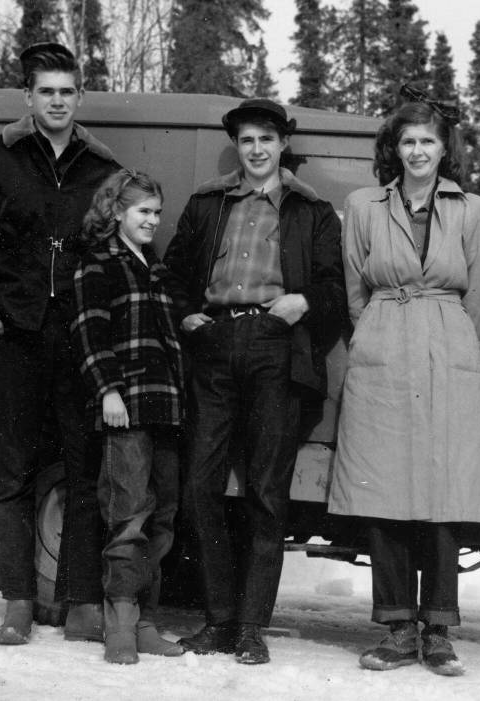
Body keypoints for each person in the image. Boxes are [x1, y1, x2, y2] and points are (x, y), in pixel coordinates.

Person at [0, 42, 120, 645]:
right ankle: (17, 602)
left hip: (80, 339)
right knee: (13, 473)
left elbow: (117, 255)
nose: (57, 101)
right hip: (12, 334)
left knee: (86, 473)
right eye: (46, 92)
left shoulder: (102, 169)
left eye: (67, 91)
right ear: (28, 97)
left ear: (80, 97)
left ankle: (82, 603)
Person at [163, 98, 346, 665]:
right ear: (236, 146)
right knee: (200, 486)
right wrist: (186, 316)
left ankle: (249, 628)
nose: (257, 149)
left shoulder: (311, 211)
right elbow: (172, 274)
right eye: (247, 140)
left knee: (267, 493)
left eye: (267, 138)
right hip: (214, 343)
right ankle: (219, 620)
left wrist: (300, 303)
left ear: (283, 144)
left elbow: (336, 291)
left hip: (275, 347)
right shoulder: (207, 203)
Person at [327, 86, 480, 677]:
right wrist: (378, 333)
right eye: (408, 141)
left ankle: (440, 630)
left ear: (445, 148)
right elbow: (354, 287)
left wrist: (448, 334)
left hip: (447, 344)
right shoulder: (364, 206)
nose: (418, 151)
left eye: (428, 141)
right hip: (383, 341)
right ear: (393, 149)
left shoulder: (475, 210)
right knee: (385, 487)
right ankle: (398, 628)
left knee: (444, 488)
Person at [71, 170, 187, 664]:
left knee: (162, 519)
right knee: (128, 516)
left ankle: (145, 624)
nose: (153, 220)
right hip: (126, 406)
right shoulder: (99, 263)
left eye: (157, 212)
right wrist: (108, 392)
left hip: (166, 405)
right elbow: (89, 334)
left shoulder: (155, 268)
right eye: (143, 211)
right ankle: (119, 625)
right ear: (118, 211)